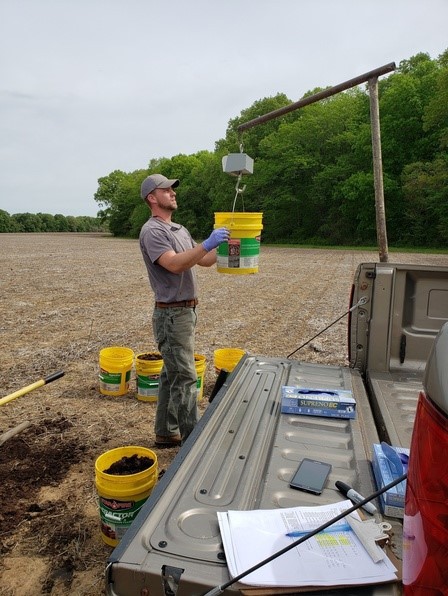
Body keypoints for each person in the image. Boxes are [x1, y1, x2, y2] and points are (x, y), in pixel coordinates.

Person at [139, 174, 230, 446]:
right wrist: (207, 243)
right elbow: (175, 264)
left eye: (172, 189)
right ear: (152, 198)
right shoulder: (153, 231)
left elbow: (204, 260)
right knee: (186, 379)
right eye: (166, 189)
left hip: (186, 311)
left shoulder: (179, 230)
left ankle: (166, 432)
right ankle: (195, 444)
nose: (173, 192)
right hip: (171, 314)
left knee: (171, 374)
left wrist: (231, 241)